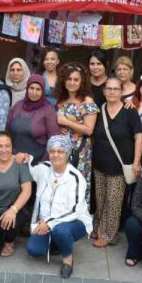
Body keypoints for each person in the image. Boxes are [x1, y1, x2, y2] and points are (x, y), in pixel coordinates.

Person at [26, 135, 93, 279]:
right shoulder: (44, 169)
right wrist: (24, 158)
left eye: (61, 151)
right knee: (34, 250)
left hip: (74, 221)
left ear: (67, 154)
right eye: (52, 151)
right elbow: (29, 170)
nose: (56, 154)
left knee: (60, 230)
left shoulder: (75, 177)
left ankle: (67, 259)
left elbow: (74, 210)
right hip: (45, 222)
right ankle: (56, 242)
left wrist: (49, 222)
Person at [91, 77, 142, 248]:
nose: (112, 92)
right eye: (109, 89)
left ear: (122, 92)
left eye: (116, 89)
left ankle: (109, 235)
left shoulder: (130, 111)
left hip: (120, 166)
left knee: (113, 201)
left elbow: (138, 137)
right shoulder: (100, 110)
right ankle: (98, 228)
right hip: (99, 164)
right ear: (104, 91)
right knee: (100, 199)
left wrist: (136, 162)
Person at [55, 62, 99, 203]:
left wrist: (67, 123)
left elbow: (89, 129)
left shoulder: (86, 101)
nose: (72, 82)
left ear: (82, 82)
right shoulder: (61, 100)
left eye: (76, 79)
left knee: (77, 187)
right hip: (62, 149)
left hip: (80, 150)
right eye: (69, 79)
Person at [7, 75, 61, 163]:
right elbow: (7, 131)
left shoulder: (48, 110)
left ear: (43, 91)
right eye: (31, 88)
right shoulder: (18, 106)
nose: (34, 92)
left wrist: (44, 163)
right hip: (15, 160)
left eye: (38, 89)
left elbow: (54, 140)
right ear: (27, 88)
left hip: (37, 163)